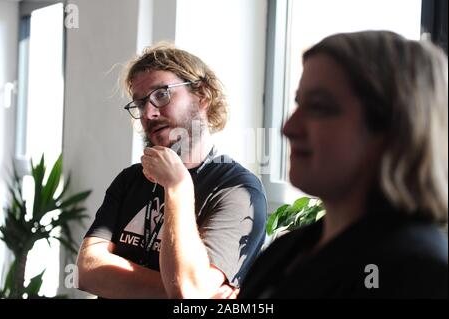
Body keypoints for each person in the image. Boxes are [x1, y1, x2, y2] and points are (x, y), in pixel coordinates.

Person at [238, 30, 448, 298]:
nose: (288, 127)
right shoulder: (291, 248)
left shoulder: (415, 272)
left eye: (319, 107)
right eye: (298, 103)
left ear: (393, 126)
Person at [76, 43, 267, 299]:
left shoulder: (238, 190)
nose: (149, 113)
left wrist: (177, 186)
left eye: (161, 95)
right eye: (141, 104)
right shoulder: (129, 179)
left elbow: (188, 291)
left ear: (202, 94)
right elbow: (87, 270)